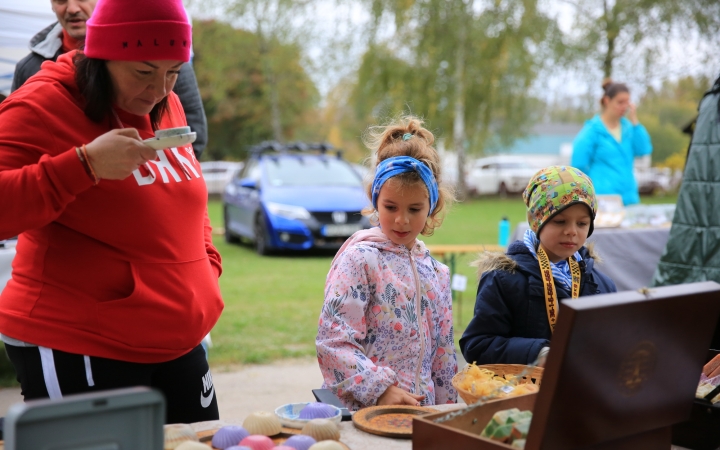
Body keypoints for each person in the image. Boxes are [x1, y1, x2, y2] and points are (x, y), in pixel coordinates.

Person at [0, 0, 223, 424]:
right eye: (143, 71)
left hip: (178, 338)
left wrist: (205, 265)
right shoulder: (42, 104)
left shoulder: (164, 101)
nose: (159, 88)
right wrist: (82, 166)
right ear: (100, 58)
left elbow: (187, 191)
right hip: (80, 341)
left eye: (173, 71)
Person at [316, 116, 458, 410]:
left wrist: (447, 414)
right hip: (369, 414)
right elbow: (333, 342)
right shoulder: (360, 261)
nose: (401, 220)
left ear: (432, 205)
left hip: (423, 417)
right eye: (390, 207)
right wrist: (380, 390)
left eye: (415, 209)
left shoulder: (437, 272)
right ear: (375, 199)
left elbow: (443, 356)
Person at [11, 0, 208, 160]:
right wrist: (85, 169)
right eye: (142, 72)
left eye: (173, 72)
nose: (72, 8)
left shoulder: (168, 64)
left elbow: (191, 135)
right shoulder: (30, 72)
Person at [460, 166, 616, 366]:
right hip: (522, 392)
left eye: (582, 223)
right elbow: (478, 346)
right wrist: (538, 353)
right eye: (560, 221)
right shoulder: (504, 278)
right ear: (535, 221)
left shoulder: (600, 284)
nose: (571, 231)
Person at [571, 79, 653, 206]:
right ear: (607, 101)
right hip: (603, 199)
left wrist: (635, 121)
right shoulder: (592, 130)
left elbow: (644, 150)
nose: (625, 107)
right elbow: (578, 165)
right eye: (620, 102)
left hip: (629, 197)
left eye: (627, 102)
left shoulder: (629, 129)